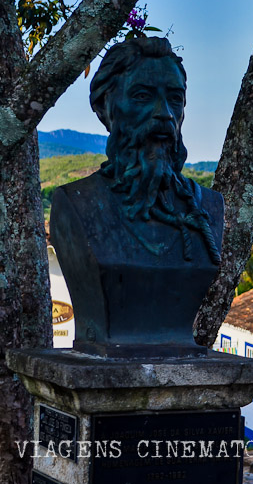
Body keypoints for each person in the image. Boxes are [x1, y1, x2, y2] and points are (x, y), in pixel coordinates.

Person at [50, 38, 223, 356]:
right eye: (142, 96)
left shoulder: (208, 209)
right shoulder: (74, 206)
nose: (165, 115)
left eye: (175, 99)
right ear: (106, 107)